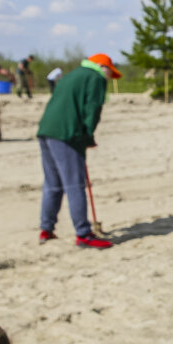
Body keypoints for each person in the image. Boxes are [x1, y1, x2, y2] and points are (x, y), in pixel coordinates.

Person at [36, 53, 121, 249]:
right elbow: (92, 108)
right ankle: (83, 233)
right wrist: (87, 136)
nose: (109, 77)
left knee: (52, 183)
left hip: (46, 131)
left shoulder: (72, 74)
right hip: (68, 134)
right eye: (110, 72)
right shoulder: (96, 77)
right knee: (75, 184)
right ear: (103, 67)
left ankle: (46, 229)